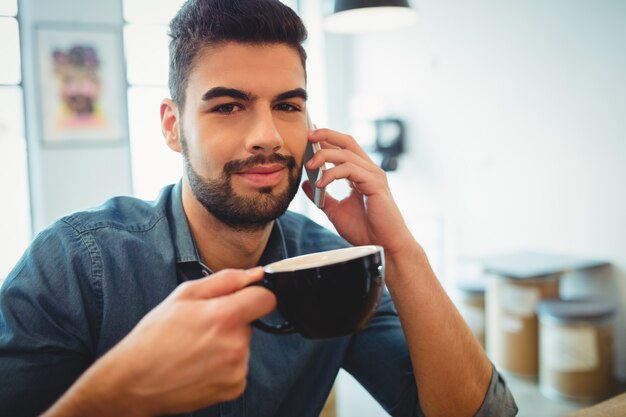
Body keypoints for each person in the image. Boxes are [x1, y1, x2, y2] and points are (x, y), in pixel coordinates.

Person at [0, 1, 518, 416]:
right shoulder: (75, 264)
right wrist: (117, 399)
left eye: (288, 106)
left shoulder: (333, 266)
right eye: (227, 106)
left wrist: (400, 251)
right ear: (172, 126)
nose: (267, 137)